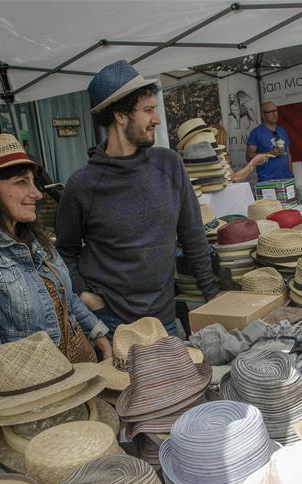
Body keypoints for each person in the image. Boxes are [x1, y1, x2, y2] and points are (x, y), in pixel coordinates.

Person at [0, 134, 111, 395]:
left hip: (78, 373)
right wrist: (15, 411)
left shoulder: (30, 236)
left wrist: (100, 336)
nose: (36, 193)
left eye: (33, 182)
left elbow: (67, 297)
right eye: (21, 182)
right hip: (34, 392)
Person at [56, 60, 218, 336]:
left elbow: (193, 237)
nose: (157, 118)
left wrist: (213, 297)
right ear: (120, 115)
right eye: (148, 110)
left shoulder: (169, 165)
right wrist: (83, 293)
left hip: (163, 320)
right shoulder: (83, 184)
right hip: (109, 324)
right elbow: (64, 253)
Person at [246, 101, 293, 182]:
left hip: (286, 179)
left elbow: (288, 155)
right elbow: (249, 157)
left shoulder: (282, 131)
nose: (275, 114)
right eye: (270, 112)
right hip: (267, 181)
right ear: (263, 115)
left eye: (276, 111)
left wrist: (291, 175)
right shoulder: (256, 133)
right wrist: (269, 153)